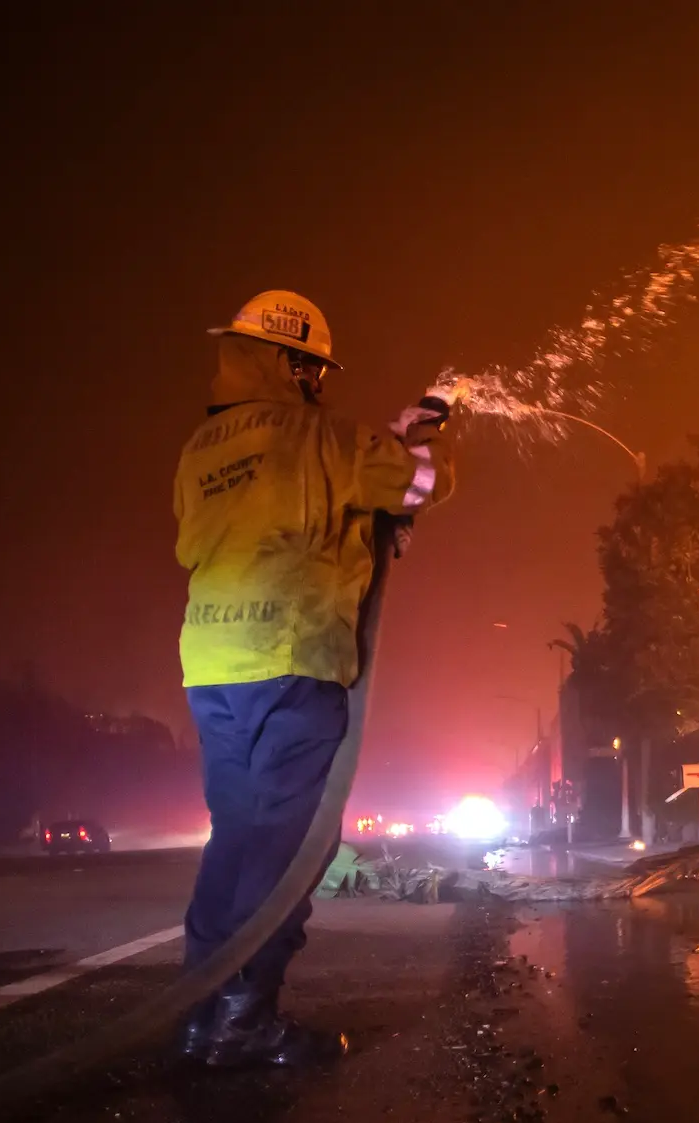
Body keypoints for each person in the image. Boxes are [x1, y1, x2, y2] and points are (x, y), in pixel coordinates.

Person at [174, 290, 455, 1067]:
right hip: (292, 659)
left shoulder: (201, 448)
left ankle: (197, 1012)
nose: (321, 383)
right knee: (290, 847)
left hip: (211, 666)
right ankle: (242, 1018)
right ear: (295, 365)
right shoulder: (321, 436)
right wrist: (421, 435)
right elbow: (419, 485)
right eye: (316, 369)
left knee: (234, 838)